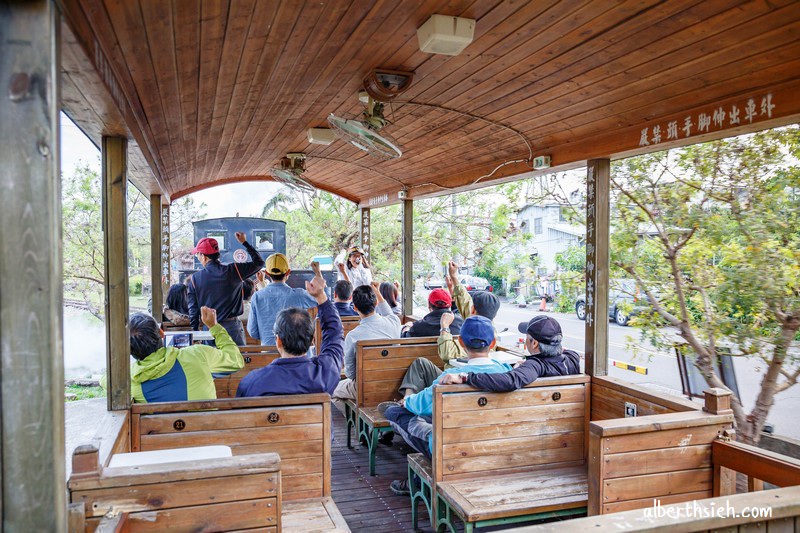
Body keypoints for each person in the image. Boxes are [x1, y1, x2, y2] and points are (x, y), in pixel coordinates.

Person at [385, 316, 511, 495]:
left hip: (450, 447)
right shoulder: (506, 371)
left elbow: (419, 405)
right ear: (493, 343)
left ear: (460, 341)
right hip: (493, 442)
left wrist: (406, 401)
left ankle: (421, 478)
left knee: (395, 413)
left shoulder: (451, 377)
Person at [236, 265, 343, 397]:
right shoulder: (325, 373)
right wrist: (321, 297)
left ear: (278, 341)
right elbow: (335, 335)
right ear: (311, 339)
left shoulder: (251, 383)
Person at [103, 306, 244, 403]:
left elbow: (105, 380)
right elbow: (236, 360)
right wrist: (214, 326)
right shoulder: (197, 354)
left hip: (165, 445)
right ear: (161, 333)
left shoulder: (128, 380)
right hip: (210, 440)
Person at [438, 315, 581, 391]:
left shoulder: (535, 366)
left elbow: (510, 381)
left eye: (527, 337)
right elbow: (565, 351)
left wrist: (465, 377)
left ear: (534, 343)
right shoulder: (573, 358)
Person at [331, 282, 401, 412]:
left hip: (366, 386)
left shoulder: (353, 336)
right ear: (375, 304)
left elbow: (350, 374)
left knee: (332, 390)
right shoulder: (394, 322)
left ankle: (360, 424)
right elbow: (387, 310)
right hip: (394, 384)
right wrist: (377, 292)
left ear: (355, 307)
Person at [187, 233, 264, 346]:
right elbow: (259, 263)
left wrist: (195, 333)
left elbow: (193, 310)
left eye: (198, 255)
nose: (198, 257)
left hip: (209, 330)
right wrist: (244, 243)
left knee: (211, 363)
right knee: (237, 361)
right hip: (232, 328)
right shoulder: (234, 270)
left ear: (204, 256)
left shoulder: (195, 279)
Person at [247, 253, 317, 346]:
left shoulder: (257, 297)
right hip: (295, 354)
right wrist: (318, 274)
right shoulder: (300, 295)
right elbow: (322, 300)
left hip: (268, 353)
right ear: (288, 272)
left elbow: (253, 332)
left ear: (267, 273)